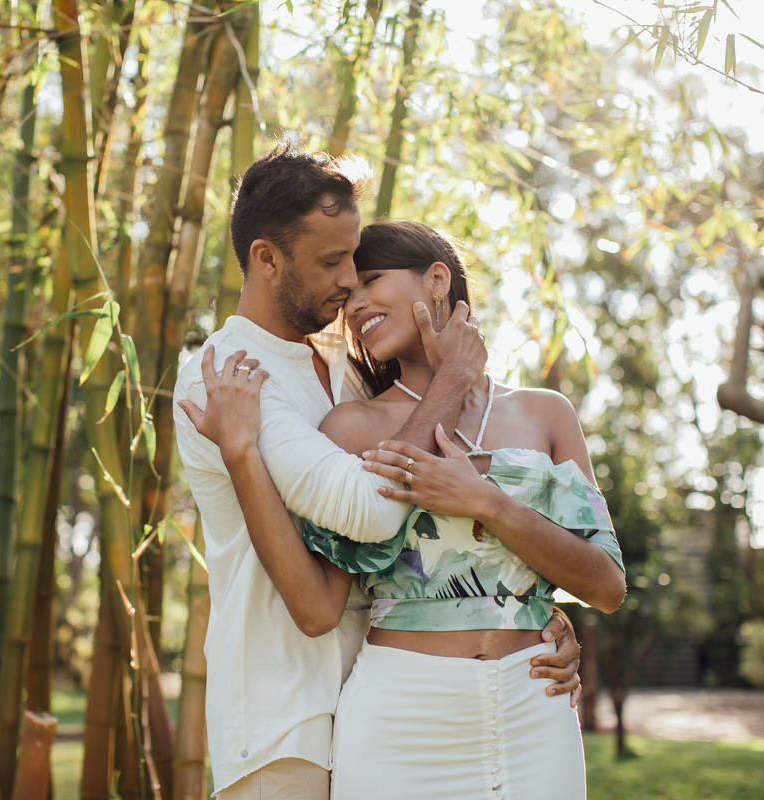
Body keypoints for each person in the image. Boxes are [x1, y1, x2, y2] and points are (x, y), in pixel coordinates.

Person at [172, 145, 583, 800]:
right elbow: (372, 513)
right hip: (284, 724)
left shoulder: (338, 367)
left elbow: (391, 555)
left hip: (368, 702)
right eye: (333, 262)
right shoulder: (227, 375)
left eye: (356, 259)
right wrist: (452, 380)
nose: (348, 282)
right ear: (266, 257)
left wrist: (531, 617)